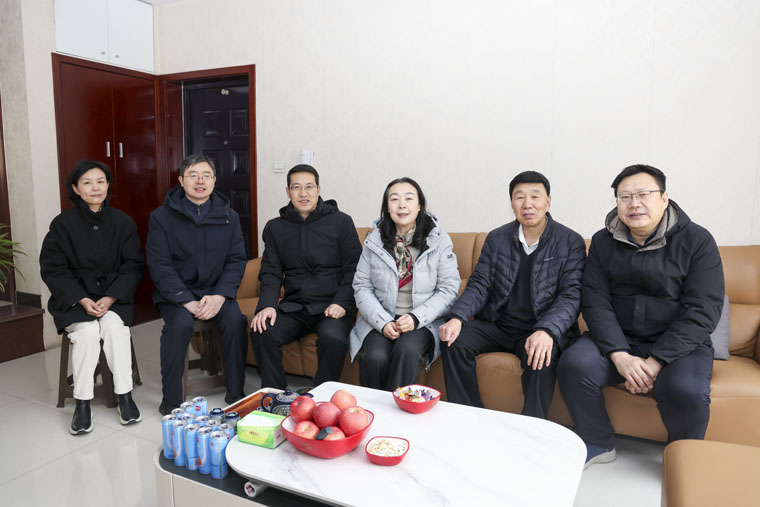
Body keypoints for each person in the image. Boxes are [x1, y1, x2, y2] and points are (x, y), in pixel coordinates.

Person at [557, 164, 724, 469]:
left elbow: (702, 311)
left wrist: (655, 361)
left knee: (685, 390)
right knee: (574, 364)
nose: (634, 204)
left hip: (678, 345)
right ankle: (597, 441)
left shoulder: (698, 241)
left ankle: (684, 457)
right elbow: (595, 301)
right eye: (625, 197)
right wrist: (620, 355)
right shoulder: (603, 241)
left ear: (664, 198)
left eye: (643, 194)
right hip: (619, 338)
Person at [439, 171, 586, 418]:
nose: (527, 204)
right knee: (453, 339)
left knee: (541, 354)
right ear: (511, 203)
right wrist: (457, 317)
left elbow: (571, 296)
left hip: (539, 327)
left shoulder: (570, 241)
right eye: (520, 197)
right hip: (499, 325)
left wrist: (547, 330)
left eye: (535, 197)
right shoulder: (497, 238)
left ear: (548, 202)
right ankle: (469, 416)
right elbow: (480, 284)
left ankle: (532, 426)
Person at [40, 160, 144, 434]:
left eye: (100, 181)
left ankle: (125, 397)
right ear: (76, 188)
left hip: (114, 300)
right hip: (75, 301)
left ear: (108, 185)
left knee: (114, 328)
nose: (95, 187)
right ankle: (82, 403)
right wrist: (81, 299)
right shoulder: (62, 225)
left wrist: (111, 297)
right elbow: (53, 268)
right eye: (87, 182)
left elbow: (133, 265)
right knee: (86, 333)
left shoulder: (123, 222)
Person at [146, 154, 248, 415]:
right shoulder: (161, 217)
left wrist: (221, 295)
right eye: (193, 176)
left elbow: (236, 260)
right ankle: (171, 400)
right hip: (176, 294)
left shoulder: (229, 216)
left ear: (214, 181)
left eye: (206, 176)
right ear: (181, 181)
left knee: (235, 320)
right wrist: (185, 299)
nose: (200, 181)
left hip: (216, 291)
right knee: (179, 324)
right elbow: (159, 264)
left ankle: (236, 393)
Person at [250, 164, 362, 389]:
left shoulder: (341, 222)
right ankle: (276, 395)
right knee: (262, 330)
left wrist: (342, 303)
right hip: (296, 306)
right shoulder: (275, 228)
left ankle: (322, 396)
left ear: (318, 190)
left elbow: (354, 268)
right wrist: (267, 305)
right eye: (296, 187)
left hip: (332, 306)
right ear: (288, 192)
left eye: (309, 187)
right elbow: (270, 271)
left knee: (333, 338)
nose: (303, 193)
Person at [350, 178, 460, 391]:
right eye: (394, 199)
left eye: (409, 198)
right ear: (386, 208)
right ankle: (372, 410)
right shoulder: (374, 241)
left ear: (419, 206)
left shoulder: (438, 241)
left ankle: (398, 409)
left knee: (406, 351)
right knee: (374, 357)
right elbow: (362, 287)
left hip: (423, 321)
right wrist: (383, 322)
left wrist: (416, 317)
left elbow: (448, 289)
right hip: (382, 317)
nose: (402, 205)